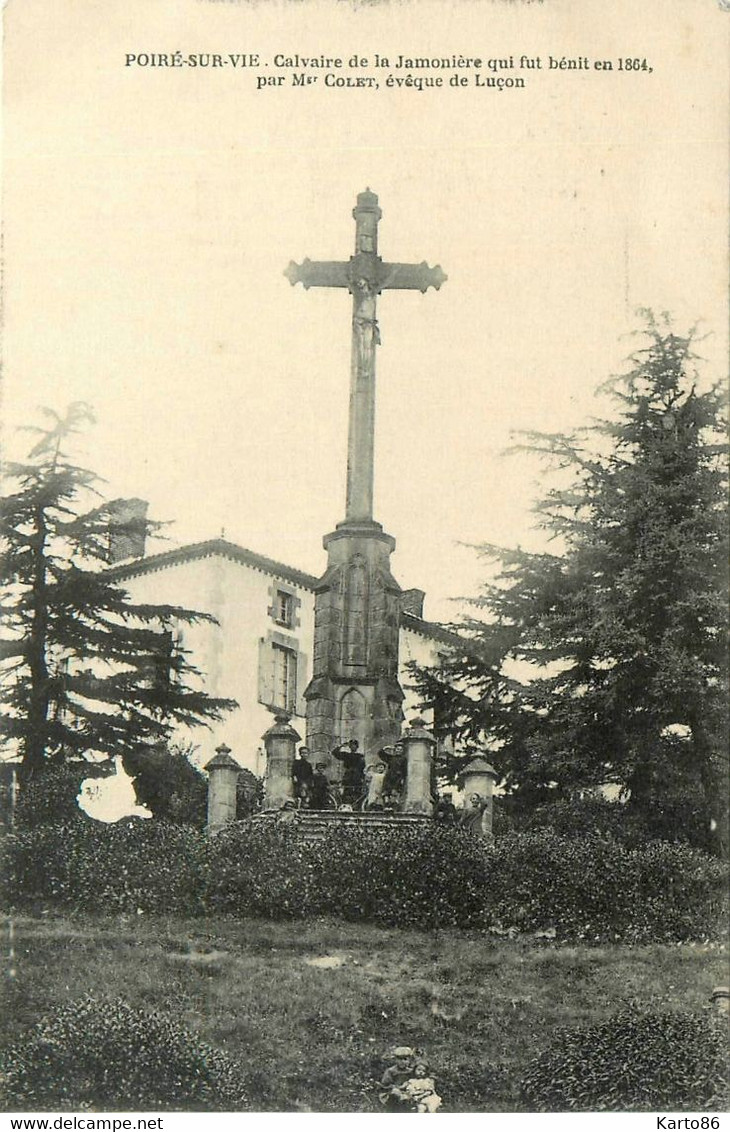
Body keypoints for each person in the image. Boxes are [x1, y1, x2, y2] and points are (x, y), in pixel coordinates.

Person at [379, 1047, 417, 1112]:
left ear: (409, 1060)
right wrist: (395, 1087)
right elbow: (386, 1084)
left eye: (405, 1059)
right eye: (399, 1059)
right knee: (395, 1095)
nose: (402, 1062)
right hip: (392, 1091)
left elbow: (415, 1080)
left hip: (407, 1091)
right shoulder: (391, 1071)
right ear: (395, 1060)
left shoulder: (411, 1071)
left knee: (411, 1097)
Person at [332, 739, 365, 807]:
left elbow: (362, 768)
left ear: (357, 747)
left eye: (354, 745)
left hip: (357, 777)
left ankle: (357, 807)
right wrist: (341, 746)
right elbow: (334, 753)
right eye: (351, 745)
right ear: (349, 747)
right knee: (347, 791)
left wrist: (362, 777)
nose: (353, 747)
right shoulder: (346, 755)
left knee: (357, 792)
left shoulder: (360, 756)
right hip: (348, 776)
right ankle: (346, 806)